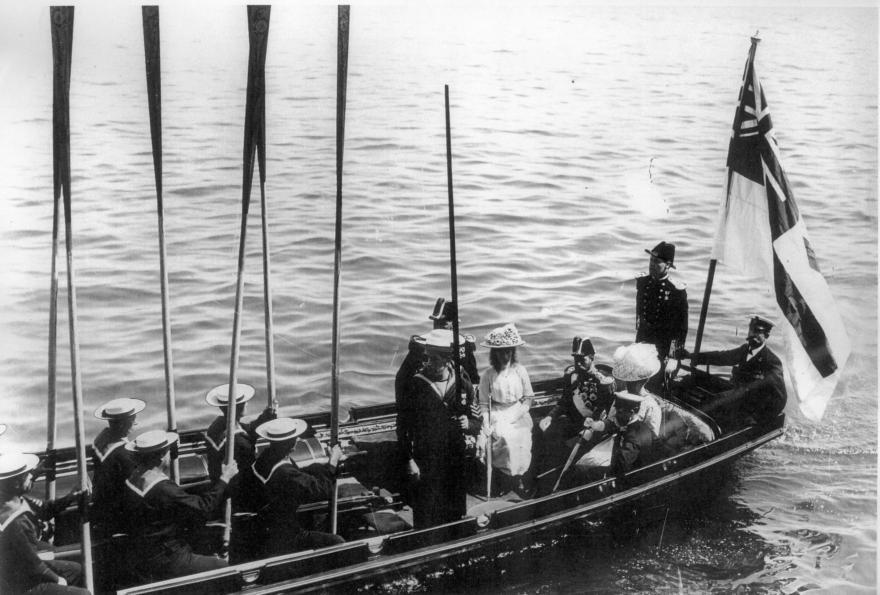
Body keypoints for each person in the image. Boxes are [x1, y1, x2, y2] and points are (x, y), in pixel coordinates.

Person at [121, 430, 237, 583]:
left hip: (144, 551)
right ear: (161, 456)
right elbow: (204, 508)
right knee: (221, 566)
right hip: (167, 558)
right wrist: (224, 479)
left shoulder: (133, 478)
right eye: (168, 451)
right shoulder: (163, 488)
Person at [397, 329, 482, 529]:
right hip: (426, 457)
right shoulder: (416, 385)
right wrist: (409, 460)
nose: (429, 364)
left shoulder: (463, 382)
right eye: (428, 358)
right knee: (427, 509)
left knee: (455, 506)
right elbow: (403, 427)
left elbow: (477, 422)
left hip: (455, 455)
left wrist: (468, 424)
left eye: (435, 359)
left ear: (447, 359)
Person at [231, 417, 345, 557]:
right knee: (337, 542)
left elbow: (299, 476)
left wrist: (324, 466)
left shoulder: (266, 457)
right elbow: (322, 490)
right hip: (283, 535)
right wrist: (333, 461)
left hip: (263, 525)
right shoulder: (284, 472)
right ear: (291, 443)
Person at [569, 343, 664, 483]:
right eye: (628, 381)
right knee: (583, 461)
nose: (630, 385)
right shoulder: (621, 397)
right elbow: (611, 422)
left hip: (635, 453)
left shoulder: (651, 406)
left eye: (635, 382)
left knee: (593, 469)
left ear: (645, 380)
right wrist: (595, 425)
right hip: (614, 440)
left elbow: (650, 440)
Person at [0, 452, 90, 594]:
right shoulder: (16, 523)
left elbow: (45, 509)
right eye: (28, 475)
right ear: (16, 484)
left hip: (22, 569)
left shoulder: (12, 499)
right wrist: (57, 579)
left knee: (76, 570)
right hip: (20, 585)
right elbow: (34, 565)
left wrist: (71, 497)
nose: (32, 476)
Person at [679, 315, 786, 424]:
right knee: (694, 380)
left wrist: (758, 418)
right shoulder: (745, 349)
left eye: (758, 332)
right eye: (751, 329)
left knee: (714, 402)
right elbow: (722, 357)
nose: (753, 334)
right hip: (736, 392)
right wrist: (691, 356)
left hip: (750, 405)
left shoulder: (771, 361)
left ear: (766, 335)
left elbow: (780, 398)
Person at [478, 323, 535, 497]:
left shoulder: (520, 371)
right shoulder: (488, 375)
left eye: (508, 351)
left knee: (523, 437)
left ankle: (520, 477)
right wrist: (487, 423)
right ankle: (505, 479)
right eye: (501, 352)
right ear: (494, 353)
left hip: (518, 411)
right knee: (507, 439)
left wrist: (520, 413)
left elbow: (529, 397)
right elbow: (483, 404)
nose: (505, 355)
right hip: (497, 413)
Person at [91, 397, 145, 536]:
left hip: (101, 502)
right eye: (133, 420)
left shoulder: (101, 438)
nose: (136, 422)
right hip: (118, 511)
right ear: (122, 425)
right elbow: (141, 481)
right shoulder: (123, 454)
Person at [203, 383, 275, 483]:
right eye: (244, 402)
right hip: (238, 486)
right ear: (236, 407)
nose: (247, 404)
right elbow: (251, 464)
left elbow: (248, 430)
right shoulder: (237, 441)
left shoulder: (218, 424)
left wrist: (265, 417)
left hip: (220, 481)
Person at [636, 241, 688, 363]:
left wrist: (673, 357)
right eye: (650, 260)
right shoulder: (643, 282)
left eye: (656, 262)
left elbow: (681, 328)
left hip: (663, 347)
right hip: (642, 342)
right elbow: (640, 315)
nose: (651, 265)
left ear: (668, 265)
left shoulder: (676, 291)